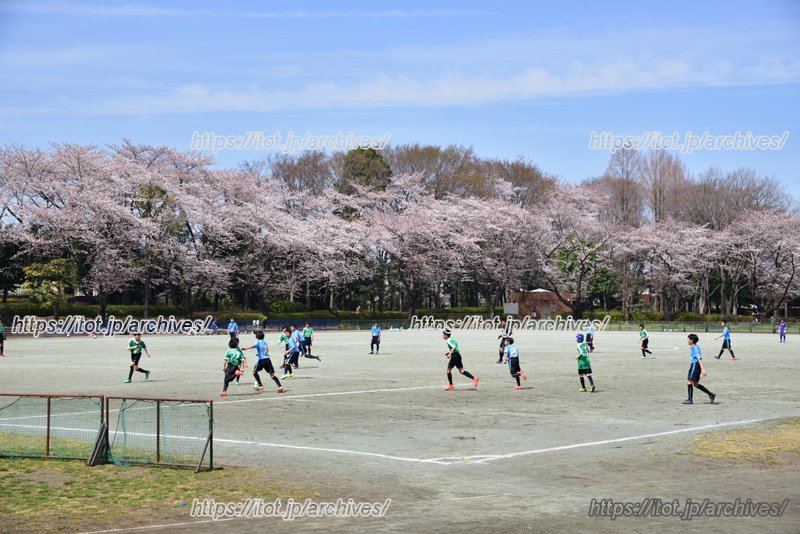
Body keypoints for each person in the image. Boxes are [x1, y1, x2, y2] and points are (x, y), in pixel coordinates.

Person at [684, 334, 716, 405]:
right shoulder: (693, 347)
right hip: (694, 365)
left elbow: (699, 358)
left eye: (688, 339)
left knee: (689, 381)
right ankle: (711, 394)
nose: (687, 340)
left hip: (695, 365)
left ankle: (690, 400)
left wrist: (702, 369)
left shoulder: (696, 348)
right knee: (695, 384)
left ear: (691, 340)